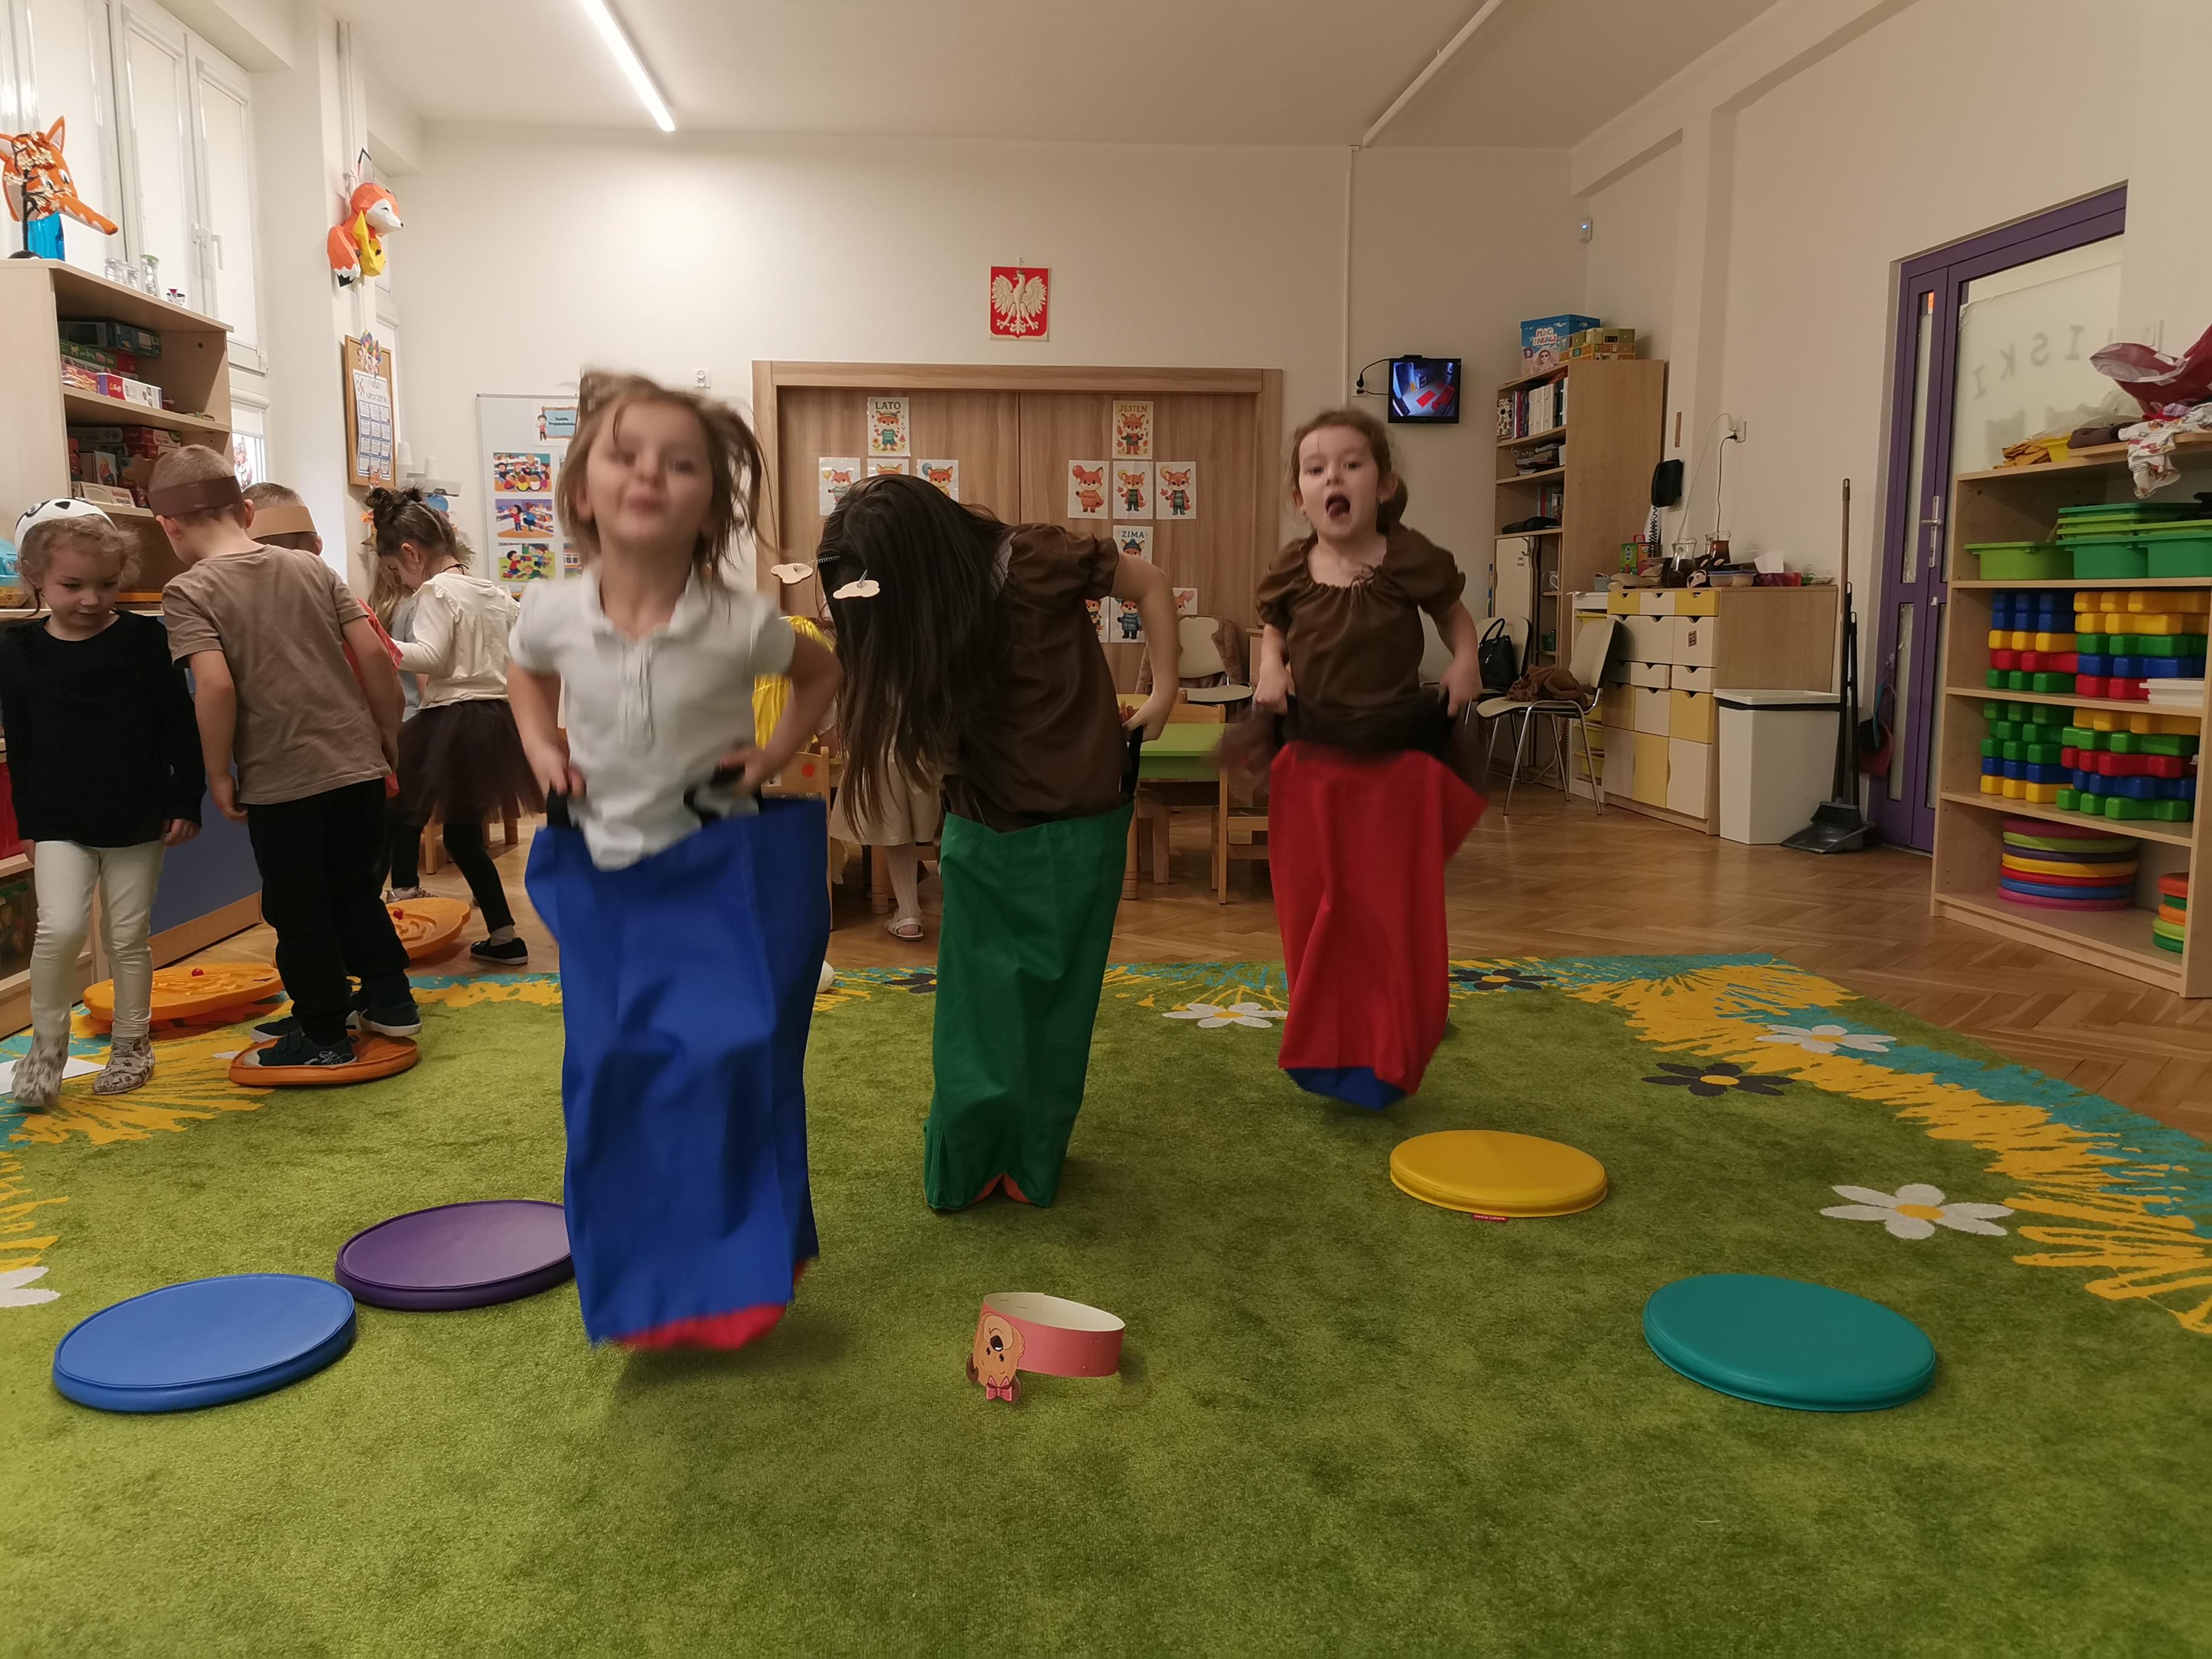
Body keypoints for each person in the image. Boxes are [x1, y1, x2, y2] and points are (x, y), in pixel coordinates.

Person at [509, 371, 840, 1349]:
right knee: (614, 1075)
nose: (650, 472)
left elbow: (821, 674)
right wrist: (540, 746)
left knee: (731, 1060)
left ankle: (741, 1274)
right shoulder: (551, 611)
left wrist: (772, 758)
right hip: (604, 879)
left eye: (680, 462)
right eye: (626, 455)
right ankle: (647, 1286)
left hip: (717, 873)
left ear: (711, 505)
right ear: (582, 491)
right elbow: (524, 675)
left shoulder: (741, 621)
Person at [818, 472, 1178, 1212]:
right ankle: (972, 1160)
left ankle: (1031, 1156)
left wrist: (1166, 688)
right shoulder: (931, 612)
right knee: (980, 1009)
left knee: (1058, 1007)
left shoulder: (1034, 559)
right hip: (985, 828)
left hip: (1082, 823)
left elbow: (1149, 581)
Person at [153, 445, 417, 1070]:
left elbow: (215, 686)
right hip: (356, 764)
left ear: (168, 527)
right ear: (245, 512)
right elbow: (375, 656)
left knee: (298, 910)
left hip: (283, 781)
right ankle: (391, 1001)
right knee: (355, 893)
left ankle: (323, 1033)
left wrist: (216, 772)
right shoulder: (310, 569)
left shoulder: (188, 591)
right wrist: (387, 734)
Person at [1250, 407, 1486, 1110]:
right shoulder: (1291, 569)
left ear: (1382, 485)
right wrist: (1271, 664)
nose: (1334, 477)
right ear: (1300, 496)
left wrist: (1466, 660)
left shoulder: (1409, 557)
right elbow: (1274, 626)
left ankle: (1392, 1034)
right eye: (1316, 468)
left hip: (1394, 759)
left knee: (1387, 910)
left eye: (1351, 464)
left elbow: (1454, 617)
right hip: (1313, 758)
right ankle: (1329, 1040)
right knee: (1318, 909)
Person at [0, 503, 202, 1105]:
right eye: (73, 586)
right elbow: (23, 741)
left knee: (126, 934)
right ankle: (46, 1050)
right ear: (36, 577)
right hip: (58, 818)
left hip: (137, 813)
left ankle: (132, 1044)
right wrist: (29, 820)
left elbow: (180, 725)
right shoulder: (17, 648)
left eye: (107, 585)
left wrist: (185, 798)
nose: (91, 600)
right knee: (58, 928)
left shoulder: (145, 640)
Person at [367, 486, 542, 965]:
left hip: (453, 719)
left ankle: (362, 939)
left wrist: (375, 639)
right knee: (464, 835)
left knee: (392, 820)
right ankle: (505, 937)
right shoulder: (495, 592)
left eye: (396, 570)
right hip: (495, 720)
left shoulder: (435, 591)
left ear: (411, 554)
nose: (401, 580)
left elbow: (430, 657)